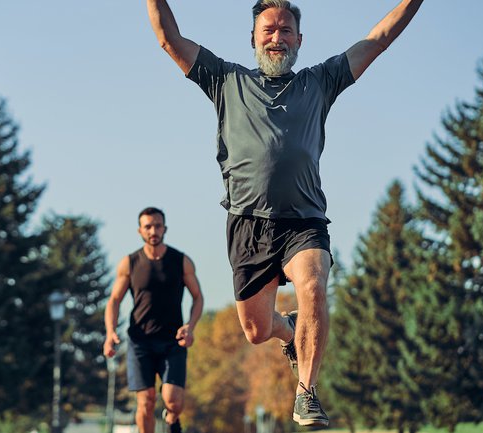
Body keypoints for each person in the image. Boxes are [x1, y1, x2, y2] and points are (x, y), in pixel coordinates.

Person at [146, 0, 423, 427]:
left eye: (285, 30)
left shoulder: (321, 81)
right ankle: (289, 330)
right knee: (256, 331)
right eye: (269, 30)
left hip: (304, 219)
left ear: (299, 39)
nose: (277, 37)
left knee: (313, 285)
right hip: (247, 223)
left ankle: (306, 393)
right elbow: (169, 39)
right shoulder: (225, 79)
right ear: (254, 37)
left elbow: (378, 40)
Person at [104, 207, 204, 433]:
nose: (153, 230)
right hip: (140, 342)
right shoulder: (129, 263)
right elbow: (114, 301)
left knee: (173, 400)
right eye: (148, 226)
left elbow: (197, 297)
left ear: (164, 228)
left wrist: (190, 326)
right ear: (140, 230)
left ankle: (171, 418)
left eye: (157, 225)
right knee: (146, 400)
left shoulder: (181, 261)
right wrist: (110, 332)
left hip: (173, 342)